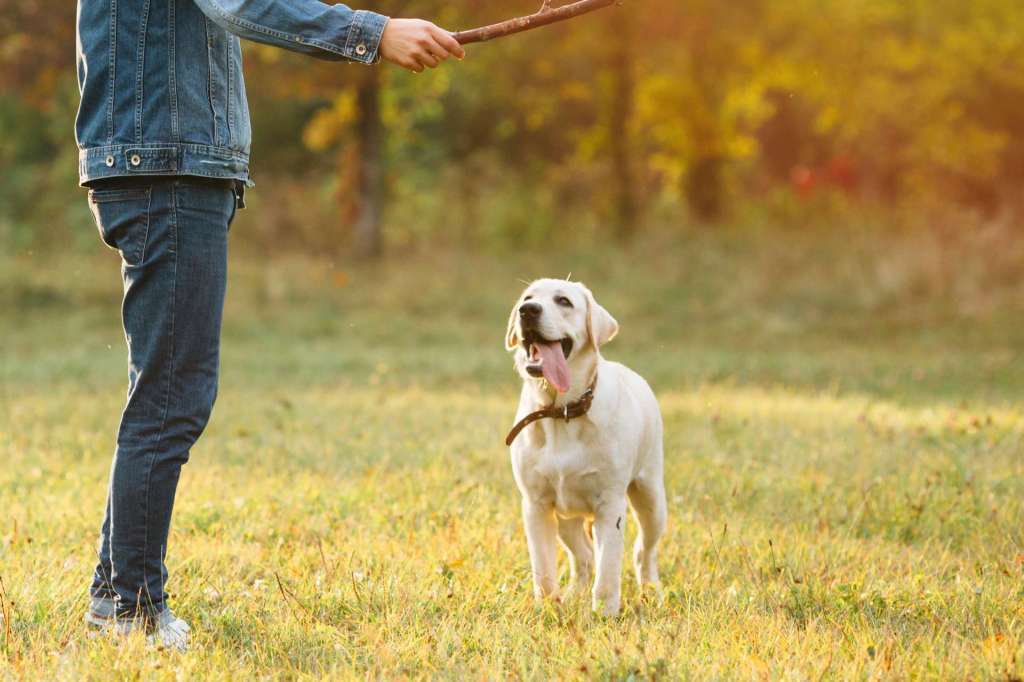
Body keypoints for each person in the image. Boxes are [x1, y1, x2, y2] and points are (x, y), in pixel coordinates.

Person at [76, 0, 465, 651]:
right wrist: (375, 34)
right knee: (172, 395)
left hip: (164, 163)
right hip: (168, 167)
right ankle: (130, 609)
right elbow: (241, 3)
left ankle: (115, 596)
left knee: (164, 390)